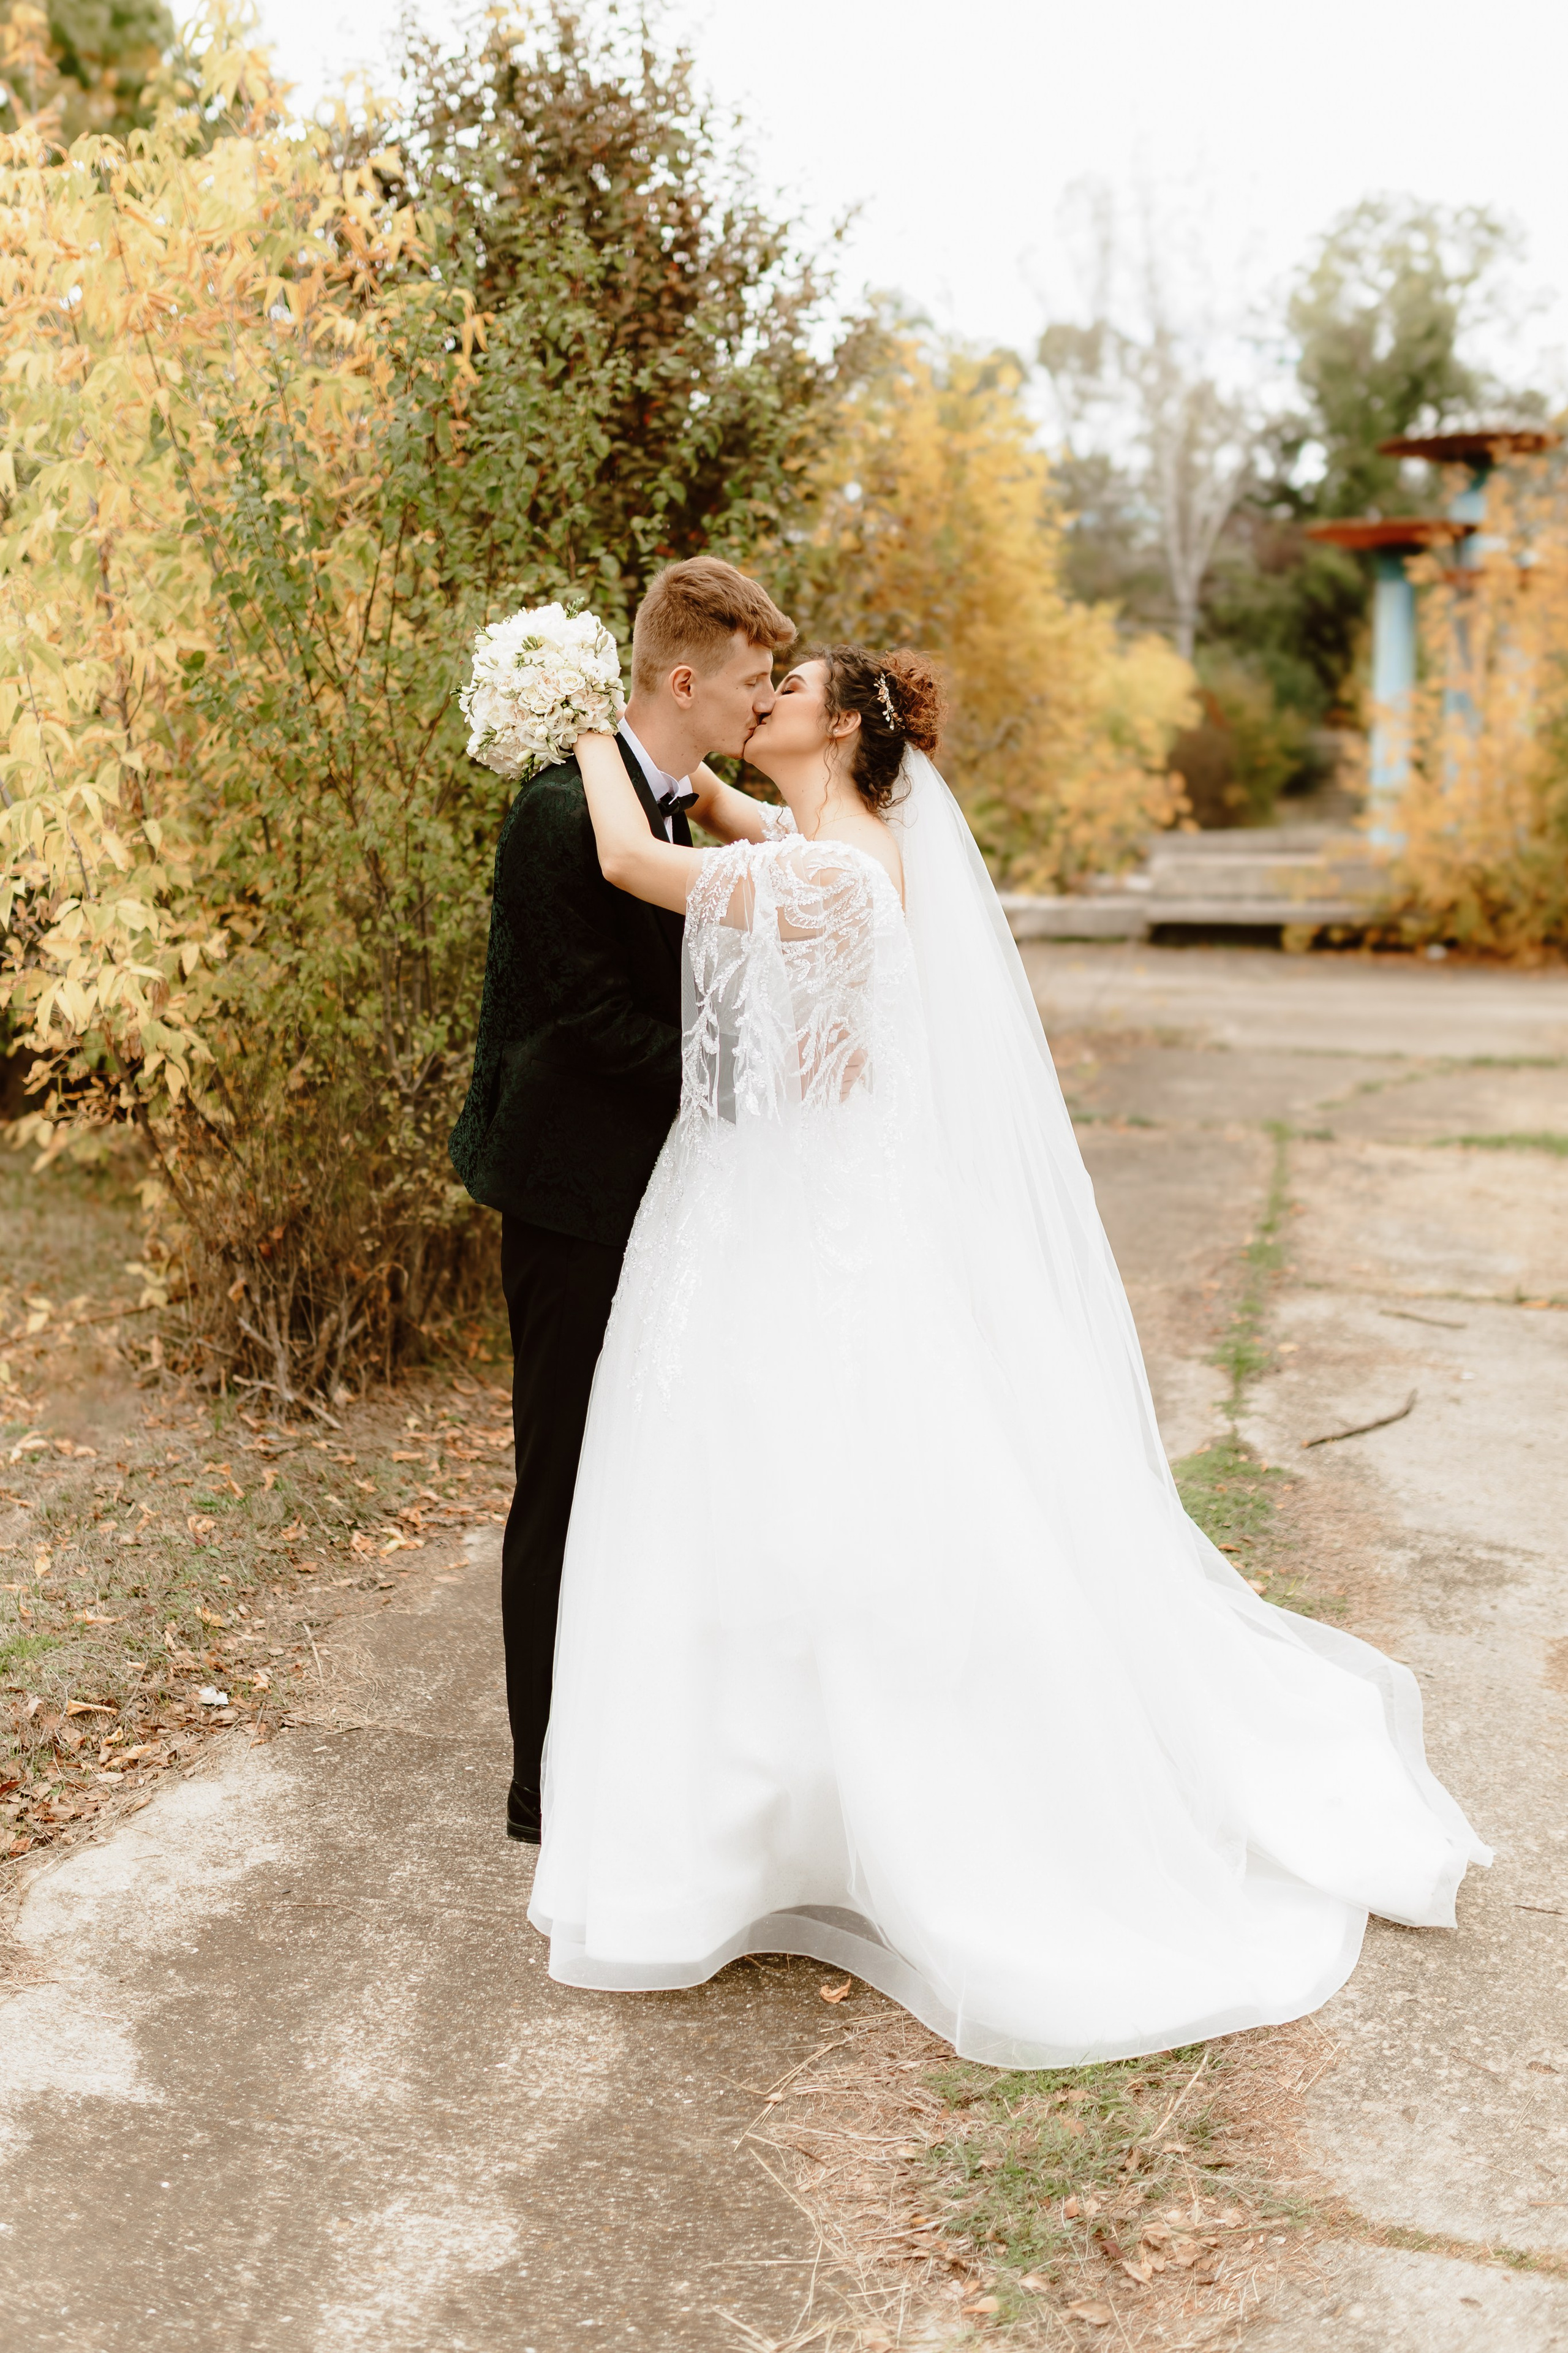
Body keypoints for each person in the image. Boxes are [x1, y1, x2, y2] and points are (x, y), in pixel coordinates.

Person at [526, 641, 1489, 2066]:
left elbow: (624, 853)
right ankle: (777, 1815)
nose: (765, 698)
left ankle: (819, 1824)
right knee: (770, 1492)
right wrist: (695, 765)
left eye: (788, 689)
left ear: (842, 725)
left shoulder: (833, 873)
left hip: (794, 1210)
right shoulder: (820, 837)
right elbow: (733, 820)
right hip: (788, 1195)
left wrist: (581, 726)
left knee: (797, 1485)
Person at [448, 557, 796, 1846]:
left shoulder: (660, 806)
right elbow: (589, 1020)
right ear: (686, 680)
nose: (760, 706)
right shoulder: (560, 816)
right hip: (566, 1192)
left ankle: (614, 1732)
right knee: (560, 1476)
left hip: (644, 1193)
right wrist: (745, 1091)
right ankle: (540, 1782)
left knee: (635, 1470)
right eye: (751, 683)